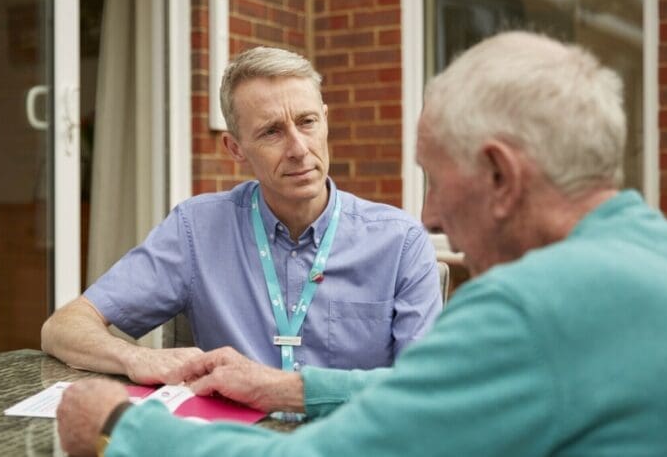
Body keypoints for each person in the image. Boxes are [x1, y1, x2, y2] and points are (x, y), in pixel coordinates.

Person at [57, 31, 667, 456]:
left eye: (436, 180)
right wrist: (289, 389)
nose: (429, 212)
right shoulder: (666, 257)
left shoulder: (530, 309)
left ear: (501, 177)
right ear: (236, 148)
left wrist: (120, 424)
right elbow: (437, 393)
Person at [41, 46, 442, 384]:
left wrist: (289, 392)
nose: (299, 148)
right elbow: (63, 327)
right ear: (235, 149)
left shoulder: (400, 241)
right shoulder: (196, 231)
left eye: (307, 122)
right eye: (272, 132)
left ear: (325, 121)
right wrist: (137, 359)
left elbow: (425, 388)